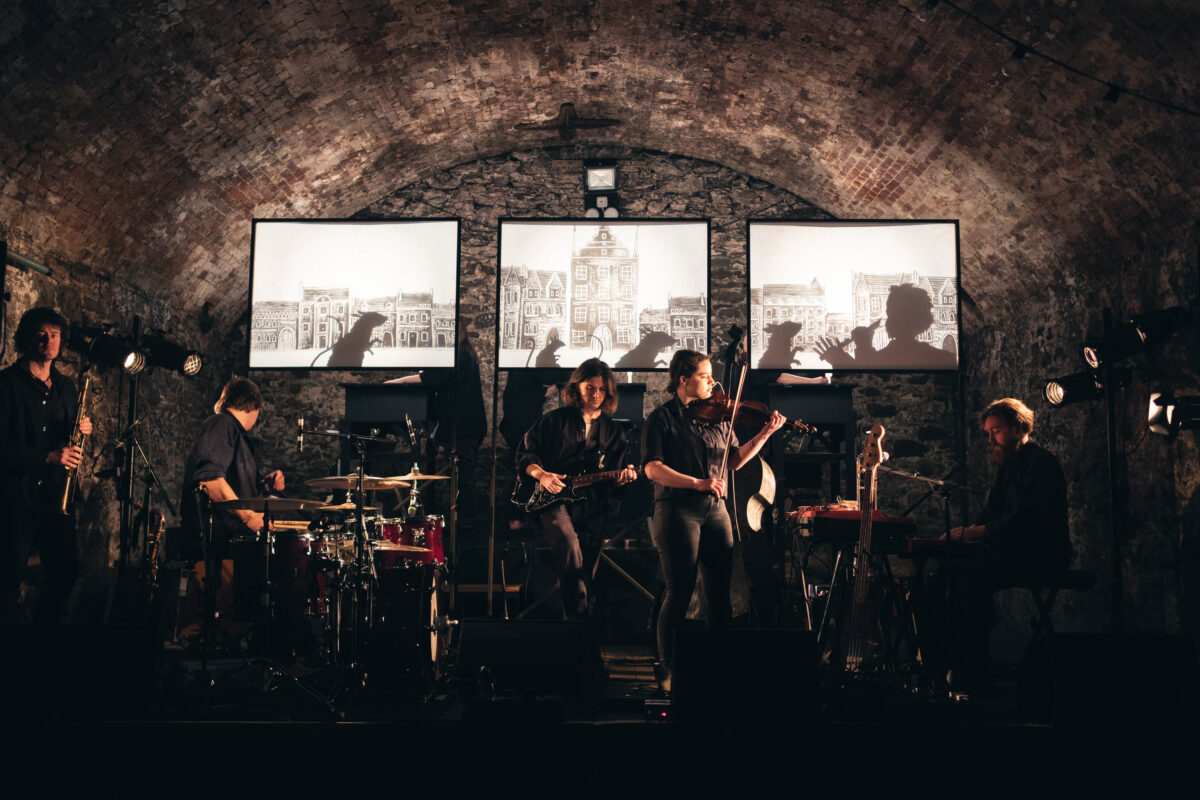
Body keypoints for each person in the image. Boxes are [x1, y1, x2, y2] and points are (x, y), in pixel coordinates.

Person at [641, 350, 785, 692]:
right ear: (683, 380)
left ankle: (716, 667)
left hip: (714, 511)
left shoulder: (719, 417)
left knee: (719, 593)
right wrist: (698, 482)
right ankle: (667, 669)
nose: (713, 382)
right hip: (677, 509)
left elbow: (733, 461)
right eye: (705, 376)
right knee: (680, 591)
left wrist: (765, 434)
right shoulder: (661, 419)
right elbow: (652, 469)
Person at [941, 397, 1069, 693]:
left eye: (995, 431)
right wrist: (967, 532)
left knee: (970, 576)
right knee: (951, 570)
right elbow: (993, 510)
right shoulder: (1008, 467)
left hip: (1042, 555)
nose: (990, 438)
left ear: (1017, 428)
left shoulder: (1042, 465)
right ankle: (958, 660)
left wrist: (981, 533)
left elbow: (1030, 518)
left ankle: (975, 667)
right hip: (1014, 551)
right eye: (988, 432)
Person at [516, 358, 637, 619]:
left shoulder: (614, 432)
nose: (595, 394)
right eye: (589, 387)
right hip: (553, 501)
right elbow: (525, 456)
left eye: (602, 389)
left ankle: (577, 633)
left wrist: (623, 478)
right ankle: (580, 626)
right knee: (570, 548)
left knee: (587, 568)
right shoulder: (553, 421)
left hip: (593, 506)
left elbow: (614, 481)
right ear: (576, 387)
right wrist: (542, 475)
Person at [0, 308, 93, 624]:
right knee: (7, 583)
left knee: (64, 575)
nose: (48, 340)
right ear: (26, 338)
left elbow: (67, 433)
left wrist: (82, 428)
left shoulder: (67, 387)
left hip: (55, 498)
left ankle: (40, 643)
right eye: (41, 333)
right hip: (17, 500)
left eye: (54, 335)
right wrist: (47, 457)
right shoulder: (6, 384)